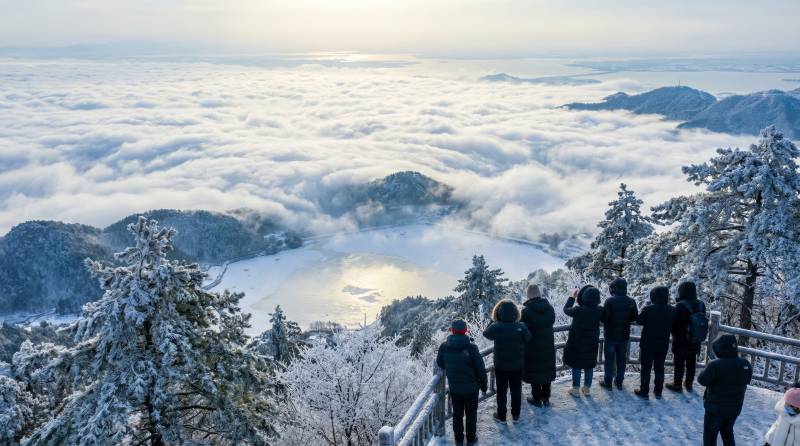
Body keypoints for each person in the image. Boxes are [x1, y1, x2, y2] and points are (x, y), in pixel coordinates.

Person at [437, 319, 488, 446]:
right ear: (465, 331)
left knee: (457, 414)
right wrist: (484, 384)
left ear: (452, 331)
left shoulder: (444, 346)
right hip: (471, 388)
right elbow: (480, 368)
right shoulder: (472, 347)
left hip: (455, 388)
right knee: (471, 414)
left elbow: (440, 363)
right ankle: (471, 438)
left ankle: (458, 439)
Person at [697, 334, 752, 446]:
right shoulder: (745, 364)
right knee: (727, 433)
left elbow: (701, 380)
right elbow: (747, 380)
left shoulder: (715, 365)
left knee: (710, 436)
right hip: (734, 409)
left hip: (715, 409)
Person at [483, 299, 531, 422]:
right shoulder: (521, 326)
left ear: (498, 313)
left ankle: (502, 416)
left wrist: (494, 320)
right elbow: (528, 338)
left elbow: (486, 334)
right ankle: (516, 415)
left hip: (501, 365)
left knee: (501, 391)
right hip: (518, 365)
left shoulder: (496, 327)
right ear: (515, 312)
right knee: (516, 390)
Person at [634, 286, 676, 399]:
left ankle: (644, 391)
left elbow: (639, 320)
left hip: (647, 343)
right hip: (662, 344)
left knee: (646, 369)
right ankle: (658, 391)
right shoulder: (672, 310)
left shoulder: (649, 309)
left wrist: (643, 308)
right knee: (659, 368)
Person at [667, 281, 707, 392]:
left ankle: (677, 384)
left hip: (681, 340)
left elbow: (675, 323)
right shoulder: (701, 304)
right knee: (691, 363)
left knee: (679, 363)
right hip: (696, 339)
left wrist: (673, 332)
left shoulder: (680, 305)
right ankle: (689, 384)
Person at [520, 284, 556, 407]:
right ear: (539, 294)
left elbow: (522, 329)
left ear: (528, 296)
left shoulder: (526, 312)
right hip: (548, 345)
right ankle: (546, 398)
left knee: (535, 372)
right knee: (546, 370)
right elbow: (552, 321)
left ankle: (536, 398)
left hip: (533, 347)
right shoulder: (550, 309)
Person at [563, 285, 603, 397]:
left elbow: (566, 309)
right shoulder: (599, 311)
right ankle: (587, 389)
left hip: (577, 344)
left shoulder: (578, 310)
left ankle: (575, 389)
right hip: (591, 344)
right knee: (589, 365)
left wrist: (572, 297)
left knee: (576, 365)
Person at [600, 277, 638, 390]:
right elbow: (634, 317)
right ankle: (619, 382)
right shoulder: (631, 301)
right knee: (622, 360)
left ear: (614, 288)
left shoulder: (609, 301)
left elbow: (604, 318)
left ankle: (608, 383)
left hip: (610, 336)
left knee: (609, 360)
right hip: (624, 336)